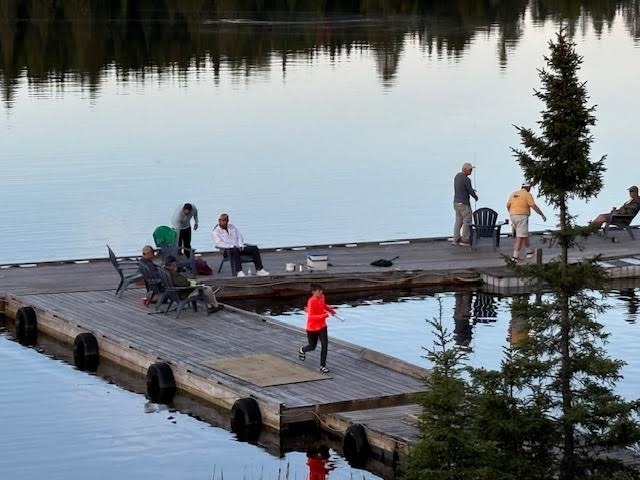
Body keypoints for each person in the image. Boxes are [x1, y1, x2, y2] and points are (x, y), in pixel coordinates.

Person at [212, 212, 270, 277]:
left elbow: (239, 236)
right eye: (223, 221)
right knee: (234, 250)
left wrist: (240, 245)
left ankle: (259, 269)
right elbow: (219, 243)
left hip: (239, 247)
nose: (225, 223)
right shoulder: (216, 232)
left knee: (254, 248)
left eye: (226, 221)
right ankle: (239, 271)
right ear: (219, 221)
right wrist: (232, 246)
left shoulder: (232, 227)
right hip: (227, 250)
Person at [298, 284, 335, 373]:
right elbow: (311, 317)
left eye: (321, 291)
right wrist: (323, 316)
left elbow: (323, 305)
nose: (321, 292)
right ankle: (302, 349)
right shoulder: (311, 301)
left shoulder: (322, 297)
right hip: (312, 328)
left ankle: (322, 366)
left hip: (322, 326)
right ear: (313, 292)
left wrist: (330, 310)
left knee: (324, 345)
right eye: (319, 291)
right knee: (312, 346)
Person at [506, 181, 546, 262]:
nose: (530, 189)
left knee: (524, 234)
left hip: (513, 215)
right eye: (530, 187)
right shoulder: (527, 195)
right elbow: (533, 205)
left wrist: (512, 213)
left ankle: (529, 252)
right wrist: (541, 214)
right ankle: (515, 257)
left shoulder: (514, 193)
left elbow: (508, 205)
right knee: (519, 237)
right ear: (528, 187)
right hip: (522, 216)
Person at [452, 162, 478, 246]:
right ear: (465, 169)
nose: (471, 171)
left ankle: (455, 239)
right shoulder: (467, 179)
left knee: (458, 221)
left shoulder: (457, 176)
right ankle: (465, 239)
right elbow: (470, 191)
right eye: (470, 170)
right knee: (467, 221)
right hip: (464, 204)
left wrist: (470, 190)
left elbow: (463, 187)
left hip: (456, 203)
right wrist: (475, 197)